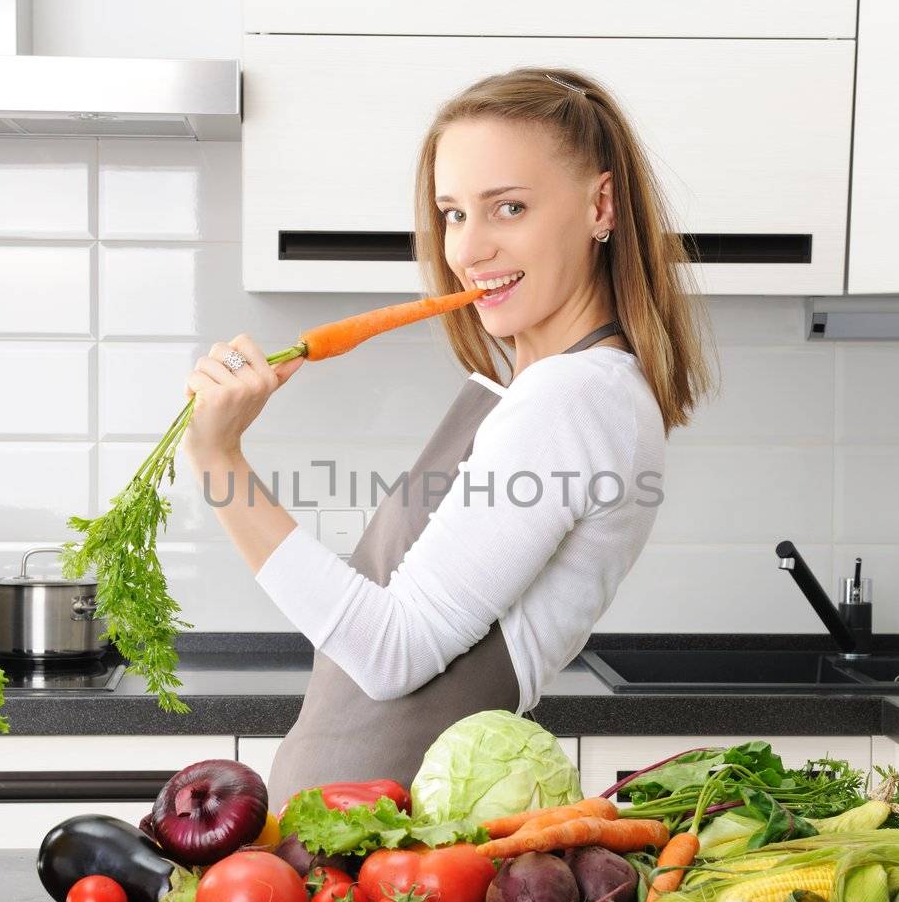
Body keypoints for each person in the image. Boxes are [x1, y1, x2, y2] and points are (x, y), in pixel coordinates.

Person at [181, 67, 718, 807]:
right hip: (355, 857)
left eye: (508, 207)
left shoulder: (572, 399)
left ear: (600, 204)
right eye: (454, 213)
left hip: (390, 869)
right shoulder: (554, 388)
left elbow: (391, 650)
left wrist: (220, 464)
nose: (469, 248)